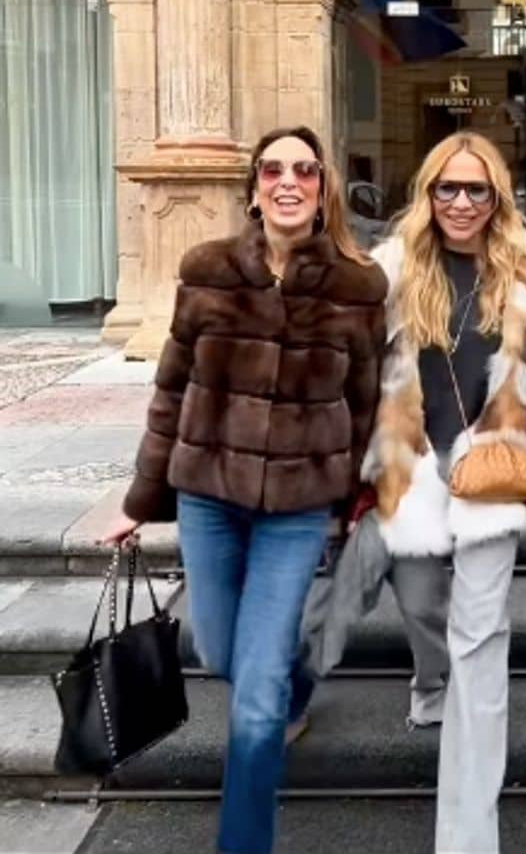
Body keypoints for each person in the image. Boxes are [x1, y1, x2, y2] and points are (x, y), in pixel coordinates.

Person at [99, 126, 386, 854]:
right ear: (253, 188)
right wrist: (138, 502)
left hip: (296, 510)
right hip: (208, 501)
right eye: (272, 170)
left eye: (304, 171)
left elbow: (364, 402)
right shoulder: (207, 269)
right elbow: (170, 392)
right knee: (219, 649)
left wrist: (352, 495)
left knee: (252, 708)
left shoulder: (359, 286)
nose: (288, 182)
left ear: (323, 189)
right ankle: (294, 681)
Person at [361, 131, 526, 854]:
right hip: (414, 466)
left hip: (493, 469)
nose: (460, 202)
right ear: (427, 195)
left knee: (481, 641)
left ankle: (468, 833)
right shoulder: (388, 271)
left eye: (475, 189)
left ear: (497, 197)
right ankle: (429, 682)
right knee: (421, 601)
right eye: (446, 188)